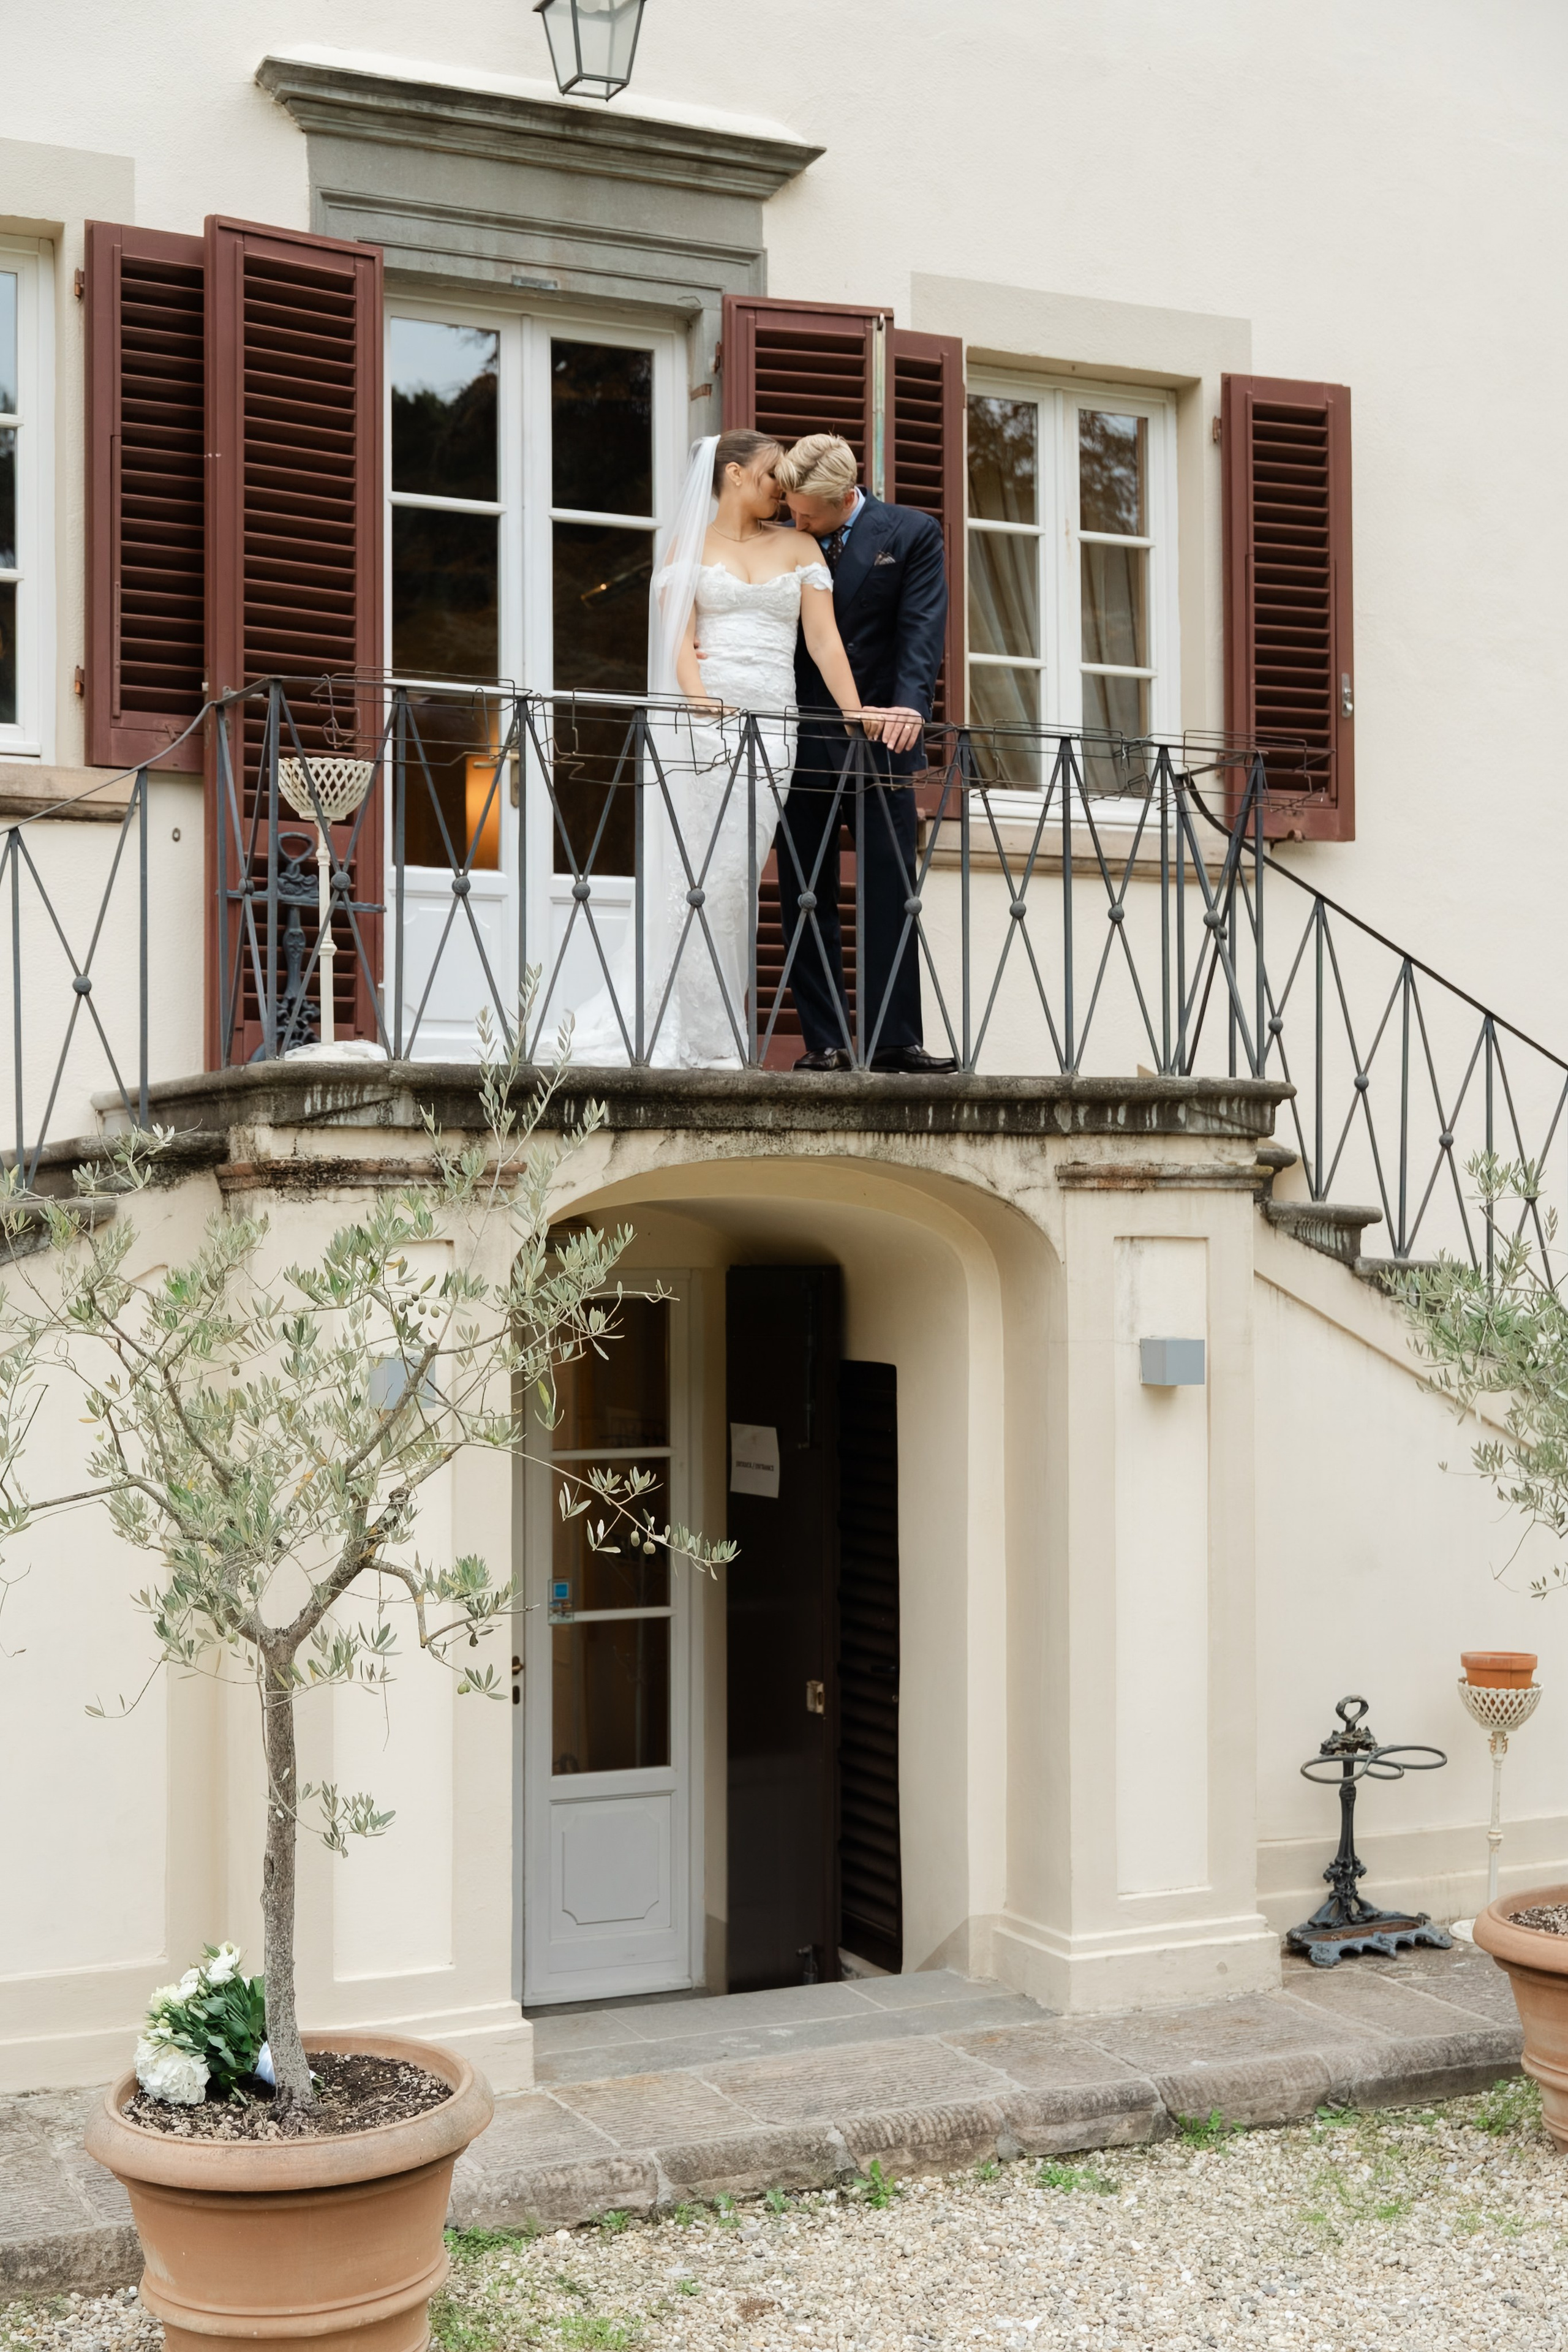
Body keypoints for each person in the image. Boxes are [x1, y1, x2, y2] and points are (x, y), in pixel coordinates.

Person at [563, 430, 874, 1068]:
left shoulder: (799, 545)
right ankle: (670, 1020)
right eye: (768, 476)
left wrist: (854, 713)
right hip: (708, 722)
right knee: (693, 872)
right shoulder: (688, 547)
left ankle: (715, 1030)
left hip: (774, 726)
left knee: (734, 876)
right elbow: (677, 637)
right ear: (732, 474)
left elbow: (823, 641)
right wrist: (698, 693)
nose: (780, 489)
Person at [772, 431, 956, 1074]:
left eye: (805, 514)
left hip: (882, 735)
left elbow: (921, 625)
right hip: (799, 737)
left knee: (890, 885)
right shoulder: (782, 534)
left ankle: (892, 1040)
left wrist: (911, 705)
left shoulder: (909, 532)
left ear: (843, 497)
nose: (793, 519)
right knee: (805, 892)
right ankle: (823, 1041)